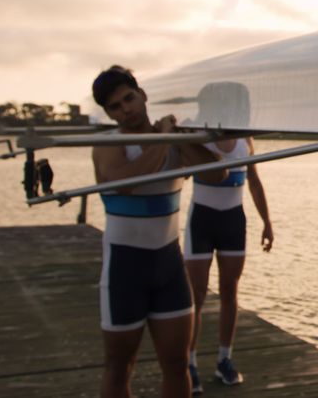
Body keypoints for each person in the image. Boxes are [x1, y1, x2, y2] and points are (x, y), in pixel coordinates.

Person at [91, 65, 225, 397]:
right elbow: (125, 183)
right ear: (108, 114)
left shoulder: (171, 140)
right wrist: (163, 139)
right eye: (116, 107)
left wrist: (178, 139)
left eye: (129, 98)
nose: (127, 110)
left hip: (169, 270)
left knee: (177, 365)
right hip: (124, 273)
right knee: (119, 366)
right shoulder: (107, 143)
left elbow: (215, 177)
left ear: (143, 95)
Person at [184, 137, 274, 392]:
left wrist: (267, 222)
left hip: (233, 222)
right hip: (201, 221)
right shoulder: (199, 136)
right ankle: (189, 362)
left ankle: (224, 359)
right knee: (197, 294)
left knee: (229, 290)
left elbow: (254, 182)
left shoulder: (246, 141)